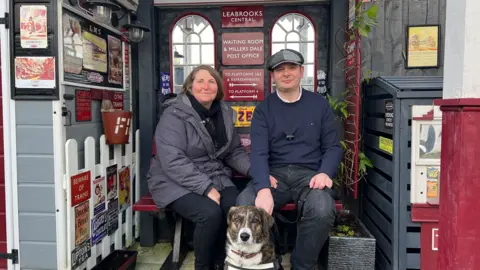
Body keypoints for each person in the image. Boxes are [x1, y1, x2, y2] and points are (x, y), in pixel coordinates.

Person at [237, 49, 343, 270]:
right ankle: (270, 263)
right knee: (246, 205)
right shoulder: (263, 109)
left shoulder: (319, 105)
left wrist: (324, 173)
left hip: (310, 176)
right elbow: (258, 153)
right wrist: (263, 185)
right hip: (275, 175)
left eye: (292, 68)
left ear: (301, 71)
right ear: (273, 76)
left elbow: (332, 147)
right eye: (280, 69)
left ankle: (301, 265)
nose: (286, 73)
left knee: (322, 208)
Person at [147, 65, 250, 270]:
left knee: (234, 209)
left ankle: (222, 261)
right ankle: (203, 266)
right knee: (209, 214)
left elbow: (233, 151)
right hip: (172, 180)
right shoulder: (174, 114)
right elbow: (173, 160)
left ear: (218, 88)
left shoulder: (225, 113)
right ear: (189, 86)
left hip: (214, 175)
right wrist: (205, 188)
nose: (206, 86)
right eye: (200, 81)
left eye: (211, 81)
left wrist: (254, 171)